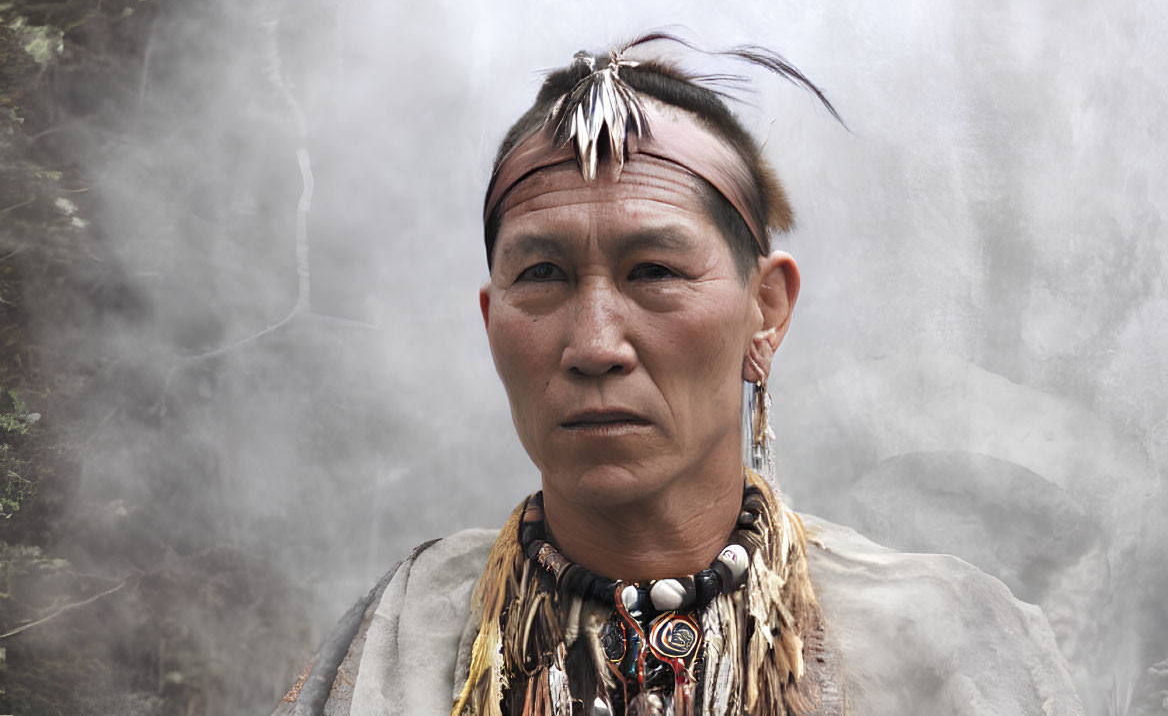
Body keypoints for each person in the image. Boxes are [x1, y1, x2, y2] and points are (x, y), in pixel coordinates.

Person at [273, 35, 1085, 716]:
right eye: (543, 276)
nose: (593, 344)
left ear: (765, 312)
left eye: (655, 270)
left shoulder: (943, 642)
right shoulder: (406, 636)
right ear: (492, 322)